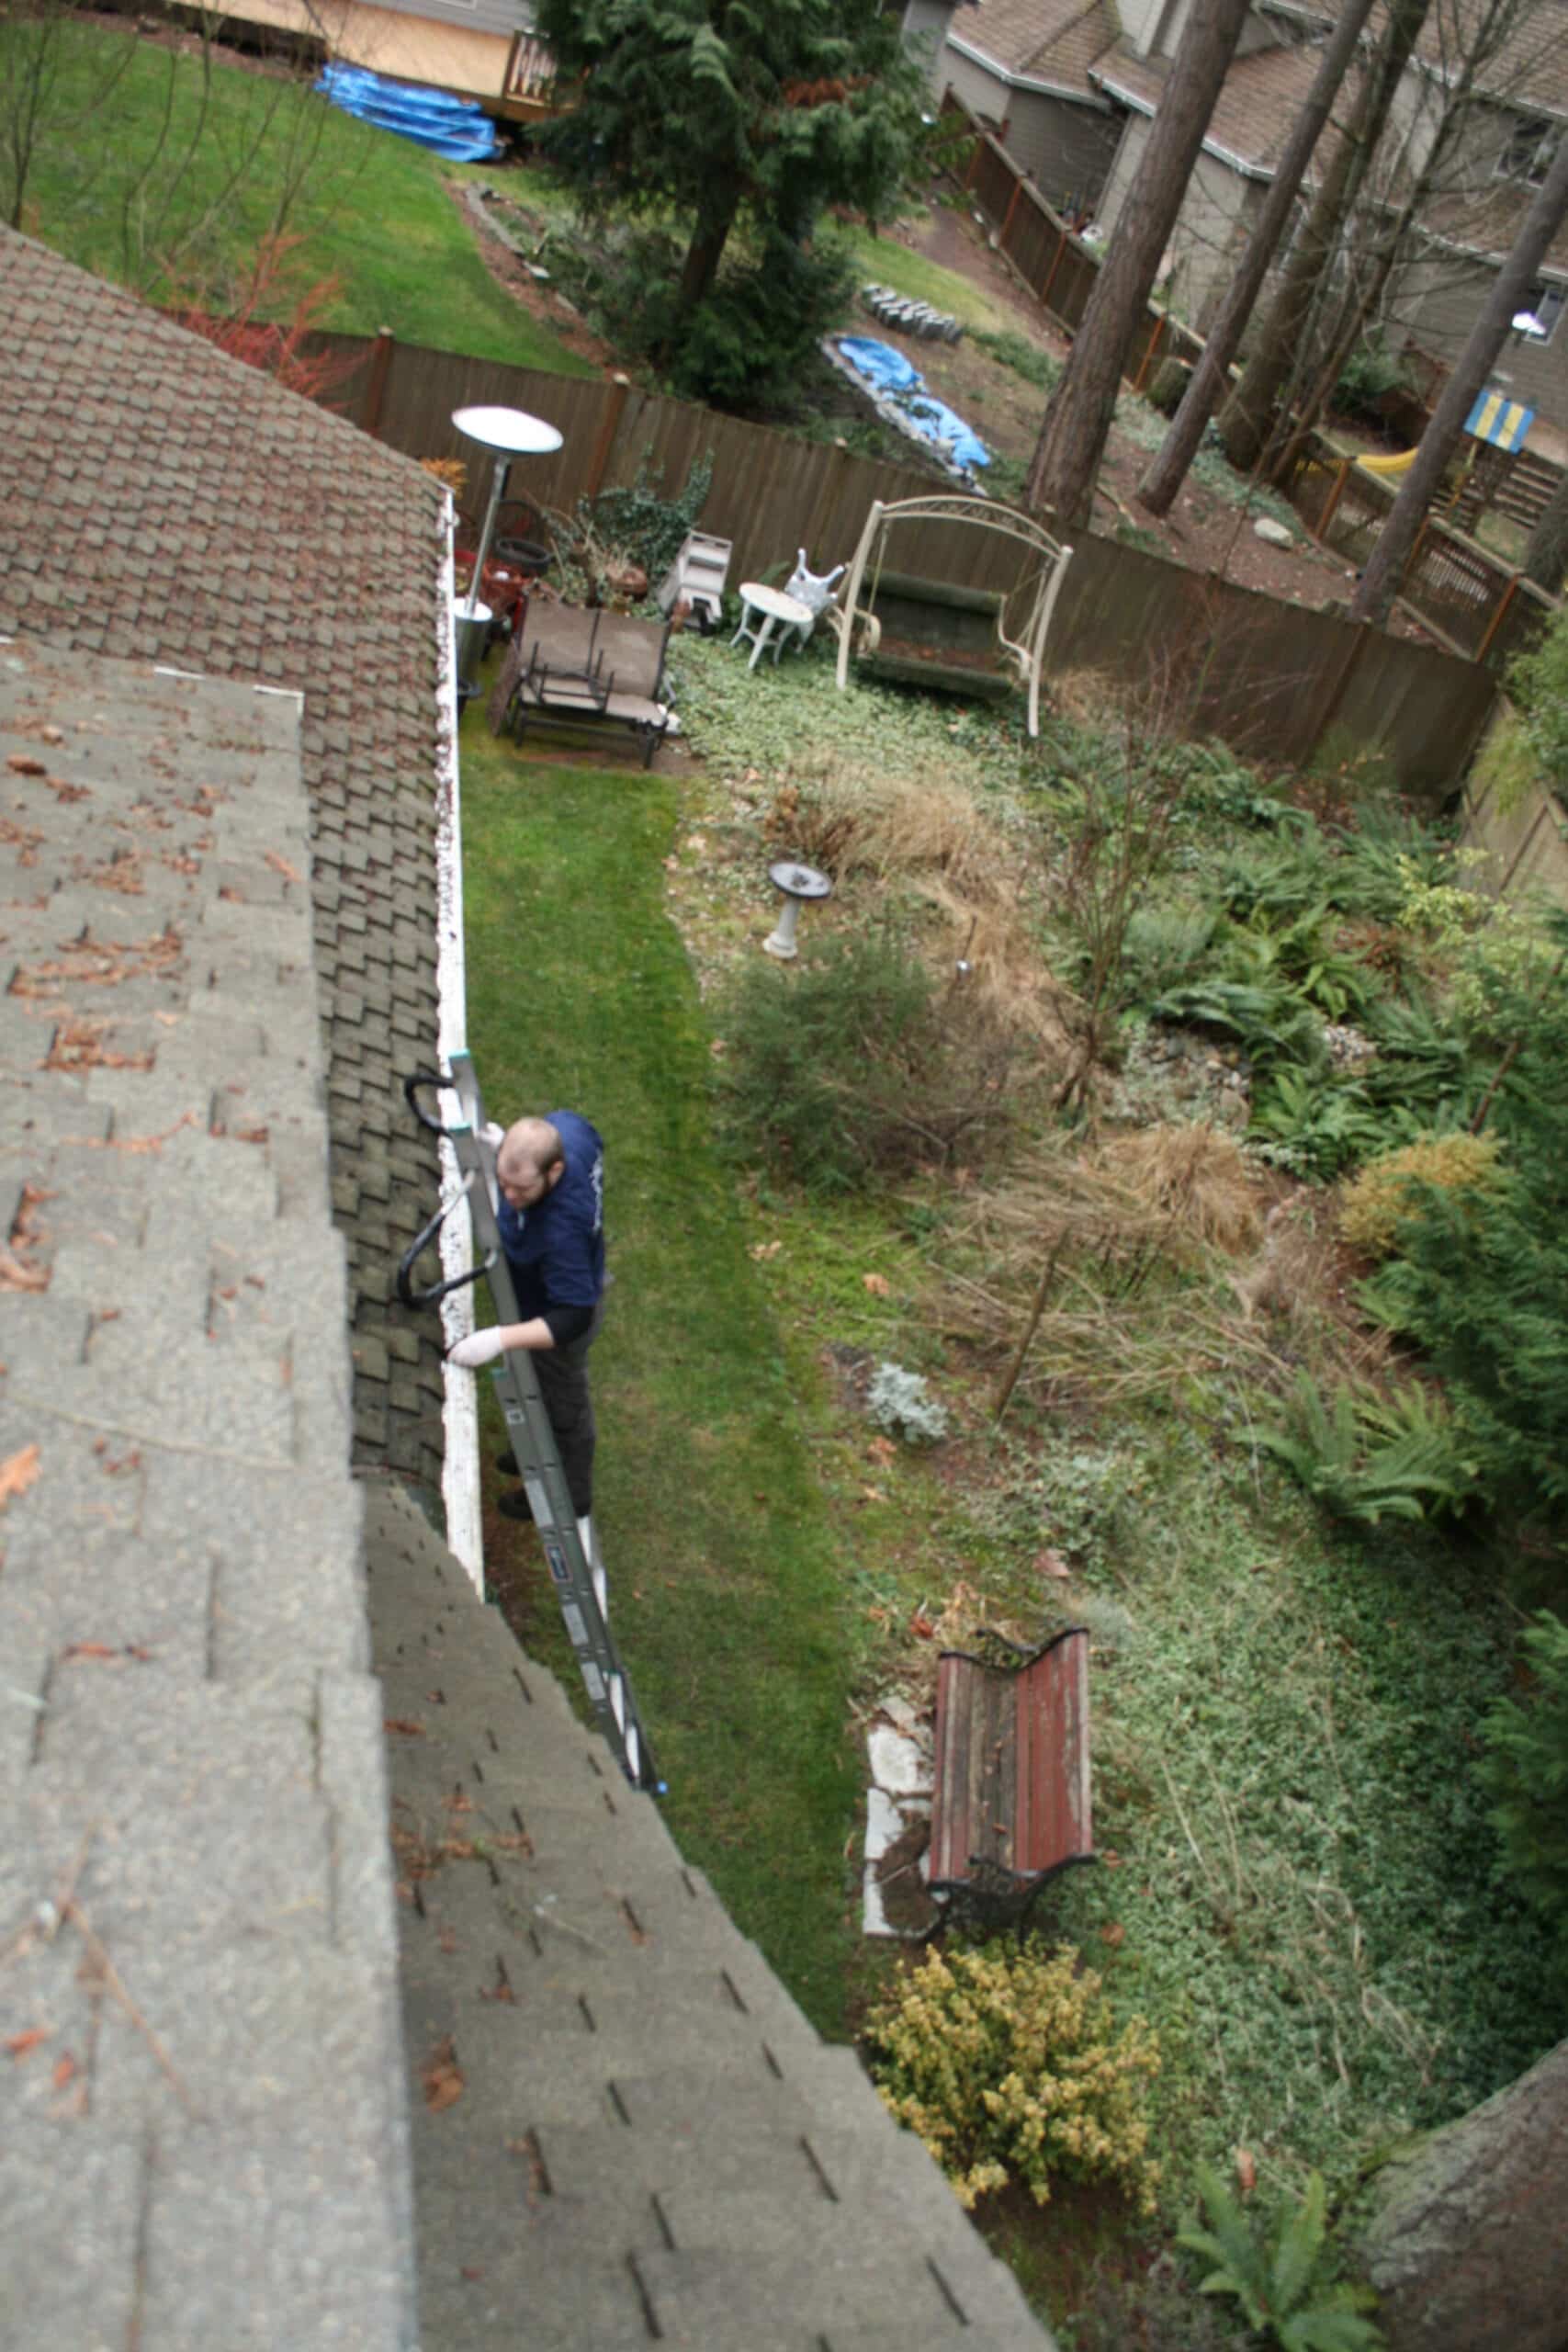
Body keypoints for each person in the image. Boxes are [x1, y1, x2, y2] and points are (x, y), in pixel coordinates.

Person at [446, 1112, 605, 1524]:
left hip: (558, 1312)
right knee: (534, 1385)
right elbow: (586, 1133)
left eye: (521, 1189)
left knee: (566, 1406)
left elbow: (572, 1318)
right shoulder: (569, 1132)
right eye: (504, 1183)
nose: (510, 1196)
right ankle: (533, 1449)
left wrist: (498, 1339)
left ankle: (572, 1497)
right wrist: (506, 1152)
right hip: (551, 1284)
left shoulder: (561, 1233)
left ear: (555, 1171)